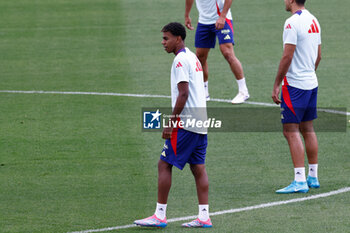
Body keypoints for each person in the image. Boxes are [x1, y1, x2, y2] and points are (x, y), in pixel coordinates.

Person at [134, 22, 212, 228]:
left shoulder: (179, 60)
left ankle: (160, 215)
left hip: (186, 123)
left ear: (179, 38)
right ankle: (204, 216)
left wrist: (170, 123)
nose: (163, 43)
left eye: (166, 38)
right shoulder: (192, 57)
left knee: (164, 164)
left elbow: (183, 93)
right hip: (200, 122)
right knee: (198, 168)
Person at [272, 0, 321, 194]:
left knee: (290, 131)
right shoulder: (313, 19)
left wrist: (277, 83)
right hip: (311, 82)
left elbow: (287, 56)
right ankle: (313, 176)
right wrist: (309, 72)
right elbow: (318, 55)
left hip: (295, 85)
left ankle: (299, 180)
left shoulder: (292, 22)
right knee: (308, 128)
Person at [185, 0, 249, 104]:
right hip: (203, 21)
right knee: (200, 56)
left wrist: (223, 16)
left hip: (222, 18)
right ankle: (204, 92)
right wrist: (187, 15)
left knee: (227, 53)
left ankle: (243, 91)